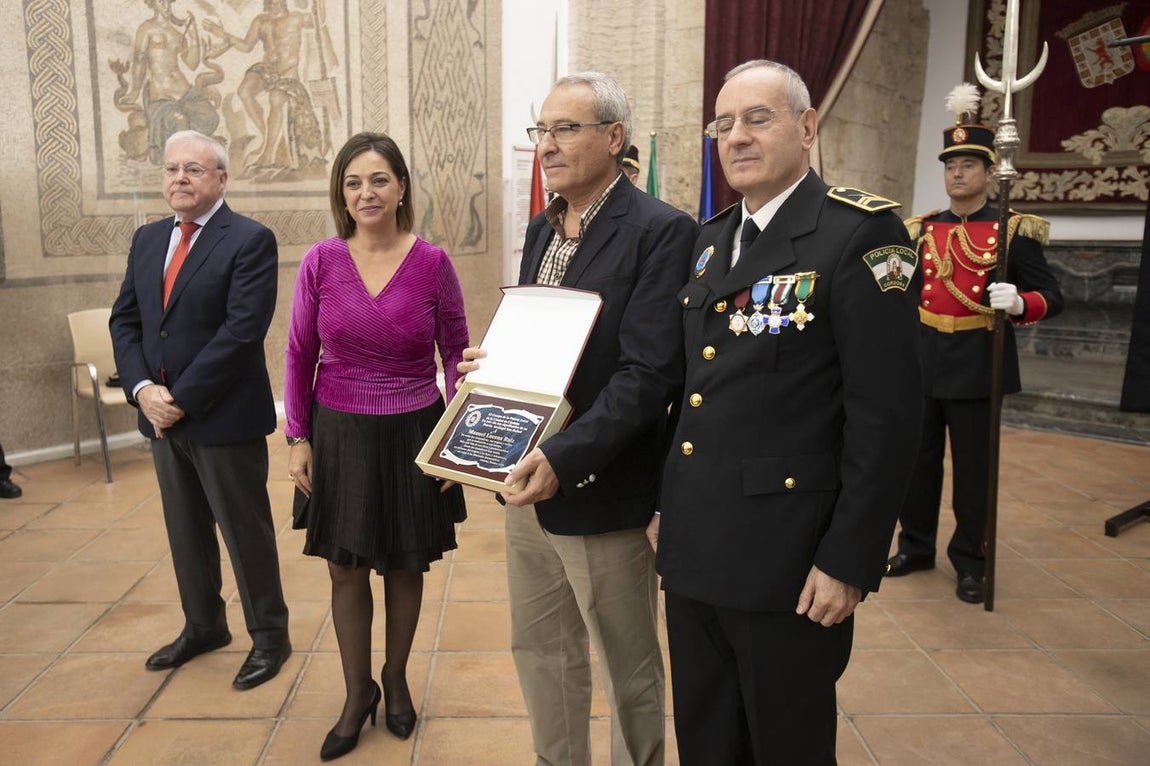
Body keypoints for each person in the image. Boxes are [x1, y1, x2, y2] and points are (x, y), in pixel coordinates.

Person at [649, 60, 923, 765]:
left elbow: (886, 418)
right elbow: (696, 394)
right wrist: (665, 506)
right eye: (724, 123)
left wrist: (850, 559)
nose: (736, 136)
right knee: (707, 740)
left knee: (786, 745)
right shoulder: (710, 242)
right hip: (696, 548)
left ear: (806, 127)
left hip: (789, 563)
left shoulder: (858, 235)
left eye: (757, 118)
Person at [459, 72, 697, 766]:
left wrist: (562, 460)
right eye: (541, 130)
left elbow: (648, 375)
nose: (547, 145)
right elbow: (548, 345)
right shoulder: (543, 227)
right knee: (540, 650)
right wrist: (493, 370)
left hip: (599, 486)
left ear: (614, 138)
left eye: (565, 129)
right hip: (524, 478)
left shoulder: (662, 232)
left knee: (628, 669)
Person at [284, 132, 468, 760]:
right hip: (339, 429)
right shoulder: (321, 261)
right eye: (354, 181)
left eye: (379, 179)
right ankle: (355, 690)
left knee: (406, 562)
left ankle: (394, 677)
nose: (367, 192)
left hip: (417, 427)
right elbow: (299, 352)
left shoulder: (433, 263)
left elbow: (457, 359)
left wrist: (458, 446)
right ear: (342, 191)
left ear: (401, 188)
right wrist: (297, 436)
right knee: (346, 566)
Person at [109, 129, 290, 690]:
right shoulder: (146, 240)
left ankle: (270, 637)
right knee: (185, 531)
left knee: (245, 532)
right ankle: (204, 625)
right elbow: (127, 322)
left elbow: (241, 335)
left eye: (193, 169)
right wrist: (142, 389)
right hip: (161, 419)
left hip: (221, 417)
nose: (179, 179)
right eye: (170, 170)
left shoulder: (249, 240)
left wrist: (178, 401)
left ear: (221, 179)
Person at [885, 84, 1063, 604]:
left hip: (978, 362)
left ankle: (970, 560)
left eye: (968, 164)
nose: (957, 172)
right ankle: (915, 546)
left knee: (973, 475)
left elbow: (1052, 296)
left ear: (990, 172)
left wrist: (1020, 302)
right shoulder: (919, 230)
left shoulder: (1014, 230)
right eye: (950, 165)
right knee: (915, 467)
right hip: (922, 363)